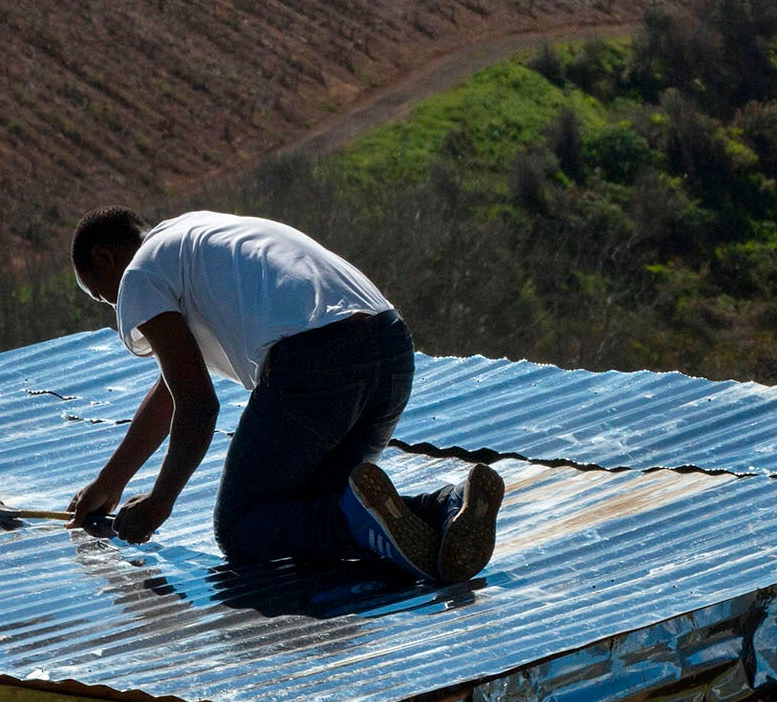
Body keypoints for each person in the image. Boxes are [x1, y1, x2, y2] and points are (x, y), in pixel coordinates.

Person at [65, 206, 504, 583]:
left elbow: (197, 405)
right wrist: (110, 484)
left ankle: (362, 527)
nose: (113, 304)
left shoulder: (140, 274)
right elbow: (169, 393)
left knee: (240, 528)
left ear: (106, 257)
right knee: (309, 510)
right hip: (391, 348)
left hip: (317, 361)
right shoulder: (196, 237)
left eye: (100, 294)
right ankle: (445, 508)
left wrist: (162, 500)